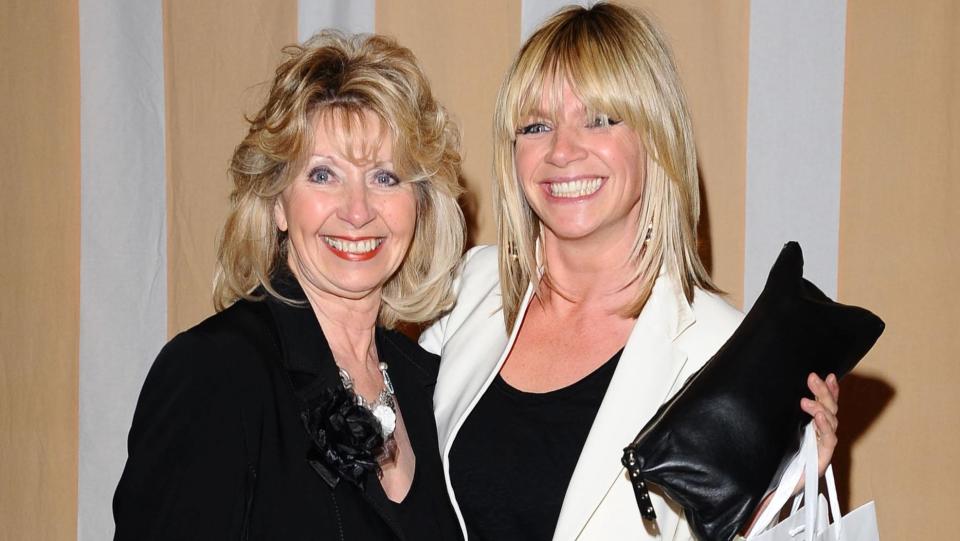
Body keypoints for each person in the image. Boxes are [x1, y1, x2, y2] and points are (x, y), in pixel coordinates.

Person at [420, 4, 841, 540]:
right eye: (536, 125)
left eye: (599, 119)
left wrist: (778, 502)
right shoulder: (469, 288)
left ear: (656, 139)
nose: (561, 150)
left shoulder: (725, 352)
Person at [114, 31, 465, 540]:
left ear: (421, 206)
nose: (358, 210)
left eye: (385, 178)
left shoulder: (433, 386)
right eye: (323, 175)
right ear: (277, 202)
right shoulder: (215, 373)